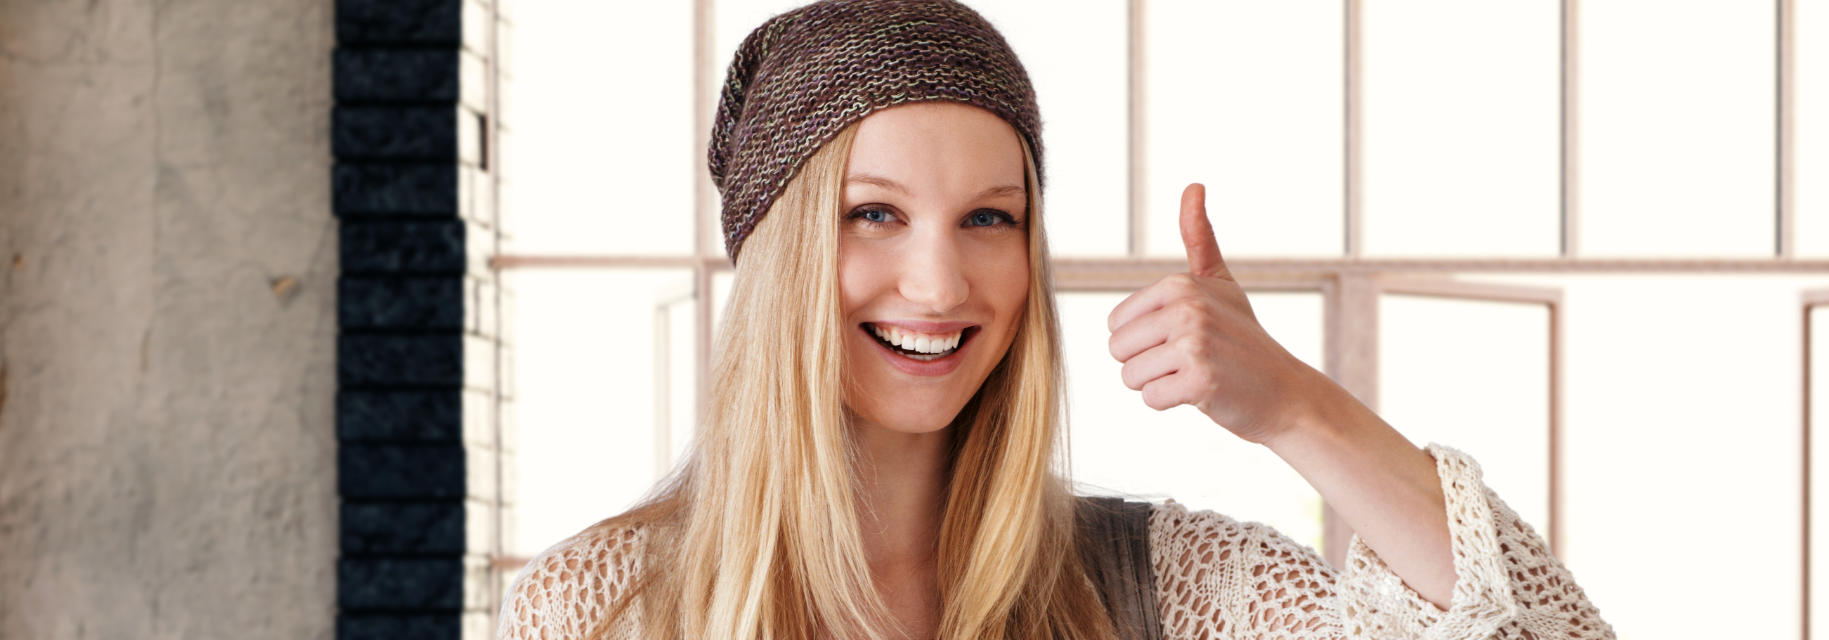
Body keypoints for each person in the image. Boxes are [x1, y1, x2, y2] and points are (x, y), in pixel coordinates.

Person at [498, 1, 1615, 638]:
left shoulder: (1149, 583)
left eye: (990, 218)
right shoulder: (596, 606)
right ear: (779, 256)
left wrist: (1294, 408)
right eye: (872, 214)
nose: (939, 286)